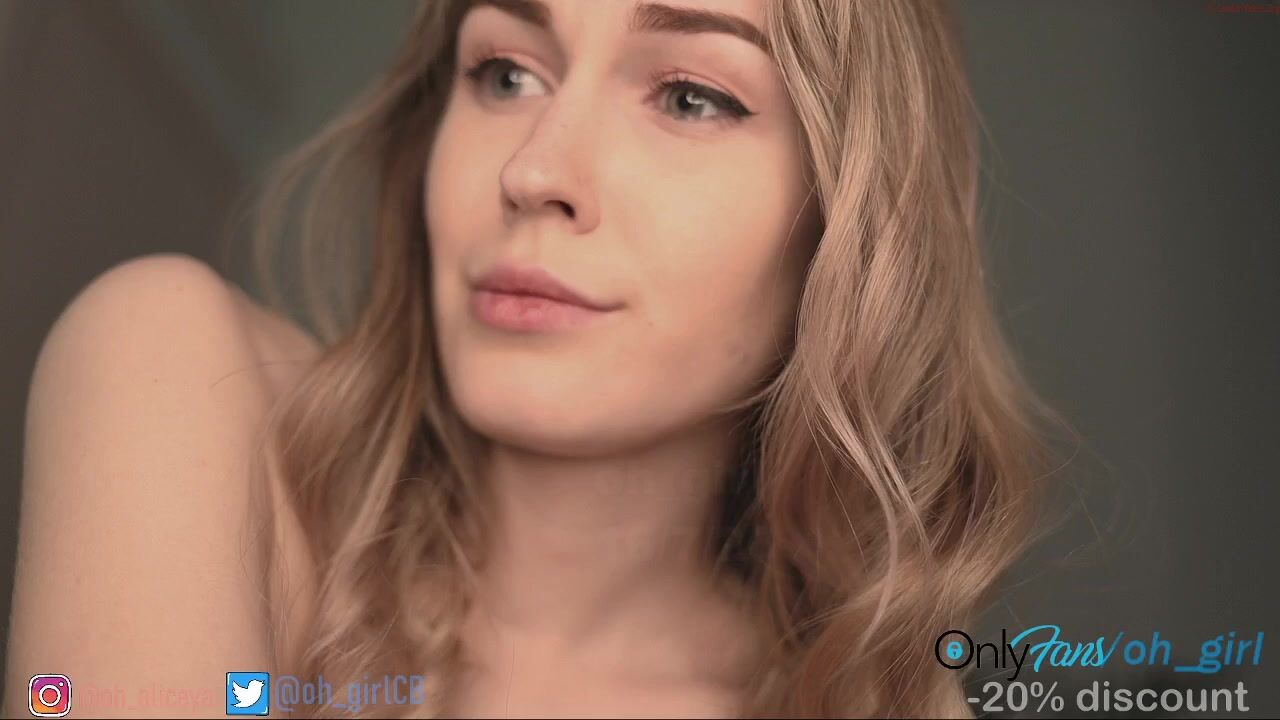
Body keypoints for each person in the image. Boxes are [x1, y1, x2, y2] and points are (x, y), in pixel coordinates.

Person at [5, 0, 1059, 716]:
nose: (534, 169)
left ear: (846, 222)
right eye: (505, 73)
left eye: (689, 97)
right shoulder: (183, 380)